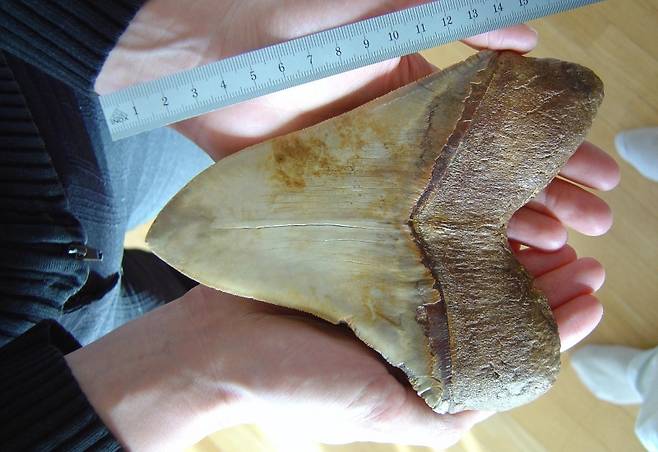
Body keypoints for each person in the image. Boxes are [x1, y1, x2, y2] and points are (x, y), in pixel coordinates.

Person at [0, 1, 621, 450]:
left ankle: (232, 308)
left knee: (200, 238)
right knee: (197, 253)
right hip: (62, 327)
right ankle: (227, 311)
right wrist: (189, 368)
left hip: (37, 140)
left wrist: (182, 43)